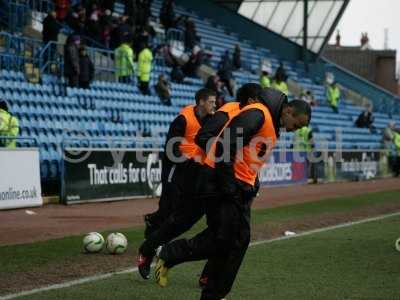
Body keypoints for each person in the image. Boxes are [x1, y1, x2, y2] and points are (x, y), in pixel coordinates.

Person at [154, 95, 311, 300]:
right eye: (297, 124)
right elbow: (225, 145)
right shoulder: (258, 114)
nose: (295, 130)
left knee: (232, 239)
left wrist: (253, 183)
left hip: (235, 186)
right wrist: (229, 186)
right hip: (221, 184)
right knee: (231, 239)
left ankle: (174, 257)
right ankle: (193, 274)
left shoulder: (271, 122)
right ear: (288, 111)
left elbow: (248, 157)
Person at [137, 84, 265, 281]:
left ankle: (209, 276)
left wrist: (254, 180)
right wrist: (222, 153)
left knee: (227, 230)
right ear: (251, 101)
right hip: (204, 175)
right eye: (261, 100)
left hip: (227, 179)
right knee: (181, 222)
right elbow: (203, 137)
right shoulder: (228, 112)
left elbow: (248, 153)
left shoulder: (256, 119)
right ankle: (148, 250)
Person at [138, 88, 217, 279]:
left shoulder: (211, 120)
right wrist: (185, 162)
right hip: (175, 167)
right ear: (201, 102)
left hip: (193, 172)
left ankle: (153, 230)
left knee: (177, 214)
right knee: (169, 208)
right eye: (211, 102)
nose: (214, 105)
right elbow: (171, 147)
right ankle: (151, 238)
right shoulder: (183, 119)